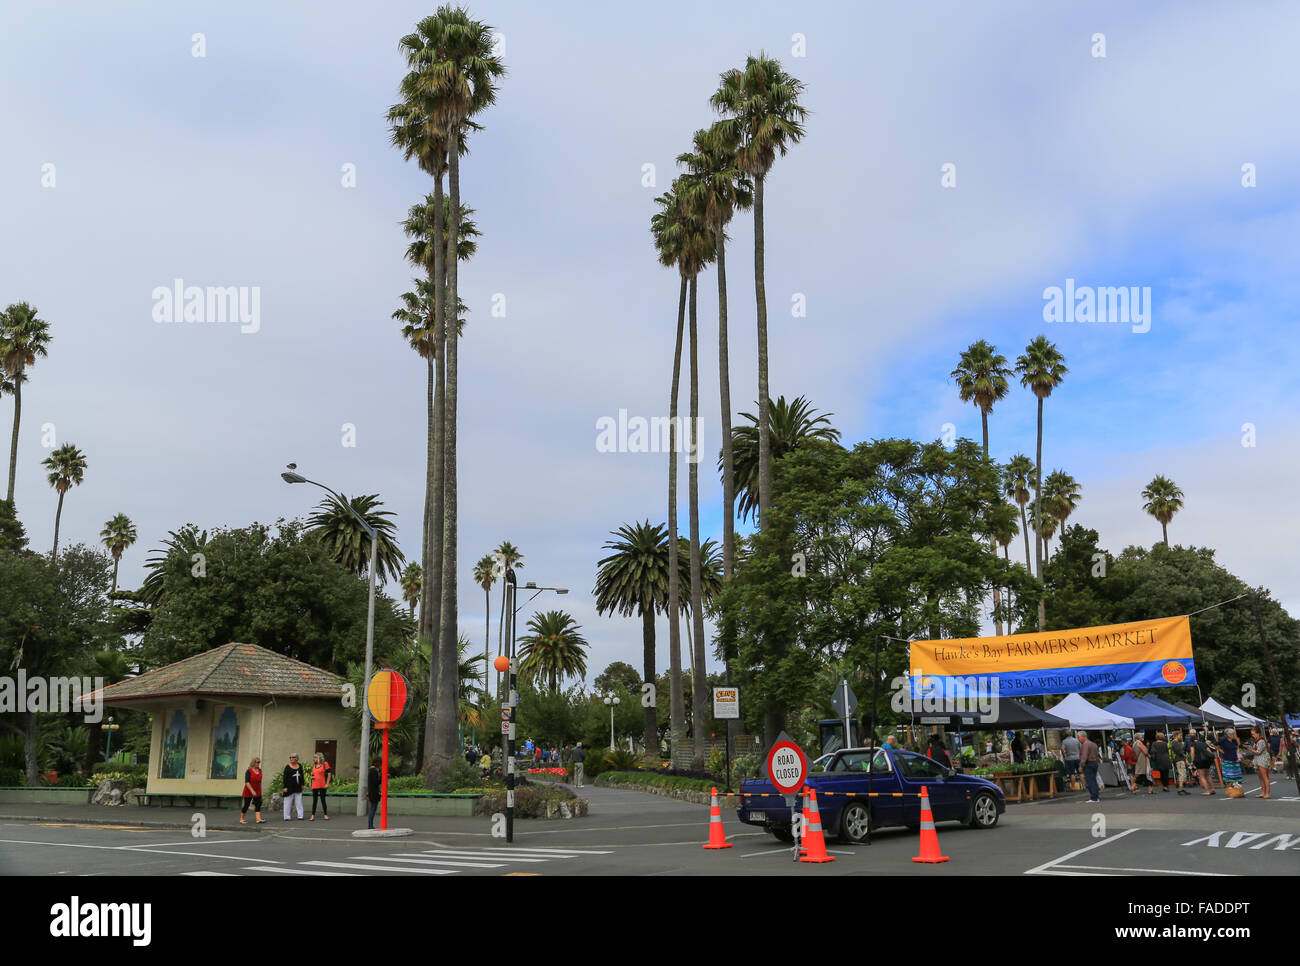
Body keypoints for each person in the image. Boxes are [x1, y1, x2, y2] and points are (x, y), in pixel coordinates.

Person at [1246, 726, 1271, 799]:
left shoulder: (1261, 741)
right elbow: (1255, 750)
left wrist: (1249, 749)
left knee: (1265, 777)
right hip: (1257, 759)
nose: (1252, 735)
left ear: (1258, 733)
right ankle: (1263, 793)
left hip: (1262, 759)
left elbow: (1258, 752)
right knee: (1260, 778)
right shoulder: (1256, 740)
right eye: (1252, 734)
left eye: (1253, 734)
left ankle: (1267, 793)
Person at [1078, 731, 1102, 804]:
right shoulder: (1093, 744)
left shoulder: (1085, 744)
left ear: (1083, 736)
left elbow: (1084, 756)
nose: (1078, 739)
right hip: (1094, 763)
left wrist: (1081, 765)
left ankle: (1094, 797)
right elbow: (1097, 754)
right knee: (1093, 780)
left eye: (1078, 737)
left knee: (1090, 781)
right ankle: (1096, 796)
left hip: (1089, 764)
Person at [1190, 731, 1215, 795]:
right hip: (1207, 760)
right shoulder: (1203, 743)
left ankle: (1207, 791)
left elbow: (1192, 752)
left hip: (1199, 760)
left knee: (1202, 776)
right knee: (1208, 775)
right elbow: (1209, 751)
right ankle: (1212, 789)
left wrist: (1192, 761)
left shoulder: (1192, 744)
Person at [240, 757, 264, 824]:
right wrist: (252, 790)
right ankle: (242, 818)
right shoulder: (249, 771)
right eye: (257, 762)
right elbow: (247, 782)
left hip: (257, 789)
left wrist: (260, 791)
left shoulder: (260, 770)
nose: (258, 763)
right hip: (249, 789)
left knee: (258, 804)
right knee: (246, 805)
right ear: (253, 762)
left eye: (259, 762)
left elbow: (260, 781)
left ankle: (258, 819)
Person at [282, 753, 306, 820]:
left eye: (293, 757)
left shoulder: (300, 766)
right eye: (290, 757)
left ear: (296, 758)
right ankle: (287, 817)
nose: (291, 759)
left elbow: (302, 776)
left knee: (299, 802)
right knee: (287, 802)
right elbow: (285, 778)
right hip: (289, 787)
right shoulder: (287, 767)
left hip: (298, 787)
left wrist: (302, 784)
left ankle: (300, 816)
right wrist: (284, 787)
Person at [309, 751, 331, 820]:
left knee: (323, 800)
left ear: (320, 758)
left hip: (322, 785)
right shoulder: (314, 765)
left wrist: (327, 783)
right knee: (314, 801)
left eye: (316, 757)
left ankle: (325, 814)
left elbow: (329, 774)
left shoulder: (325, 764)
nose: (314, 759)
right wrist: (311, 777)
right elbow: (313, 774)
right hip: (315, 785)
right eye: (314, 758)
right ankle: (312, 815)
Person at [366, 758, 381, 829]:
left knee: (372, 808)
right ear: (376, 763)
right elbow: (376, 782)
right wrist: (382, 777)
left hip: (371, 793)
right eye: (379, 763)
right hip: (374, 793)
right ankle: (370, 825)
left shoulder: (371, 771)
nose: (380, 765)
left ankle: (370, 825)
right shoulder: (373, 771)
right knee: (372, 809)